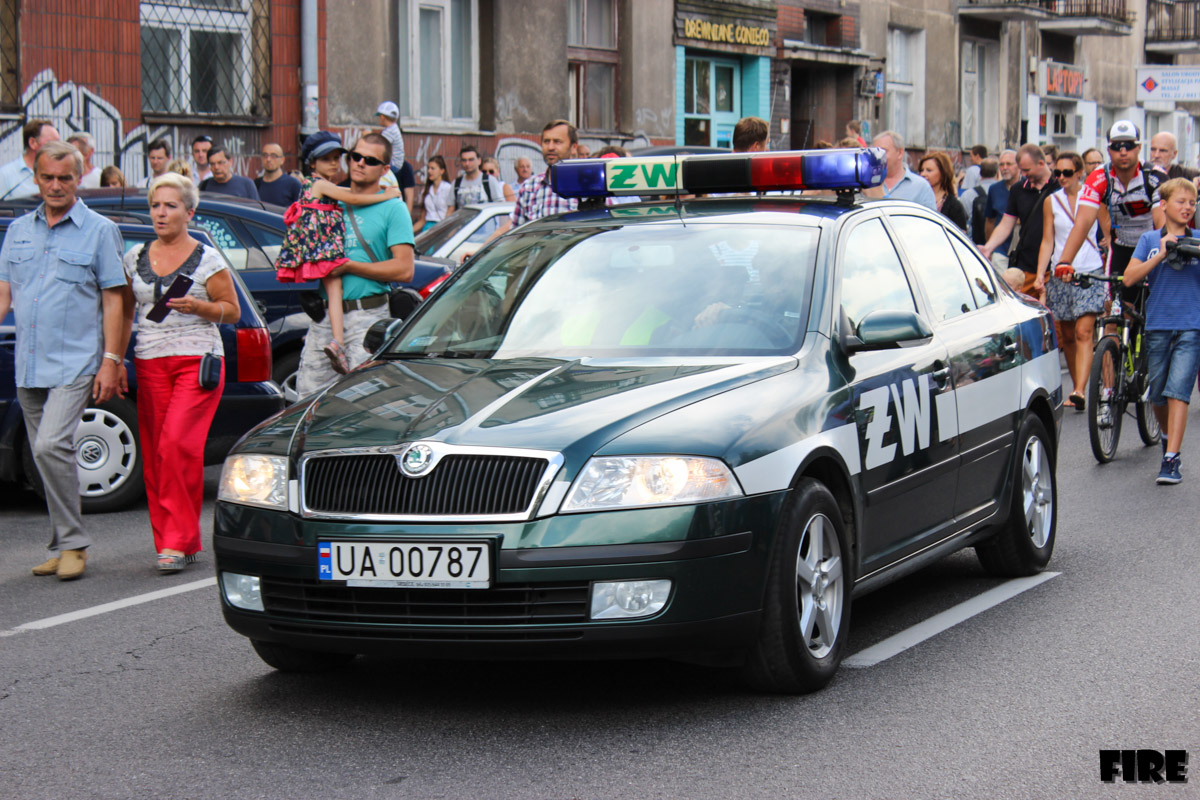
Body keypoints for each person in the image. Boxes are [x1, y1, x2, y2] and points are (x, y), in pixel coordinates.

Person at [0, 141, 128, 580]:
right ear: (35, 178)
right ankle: (60, 544)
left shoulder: (99, 230)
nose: (56, 186)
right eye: (48, 178)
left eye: (65, 178)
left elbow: (115, 300)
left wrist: (111, 359)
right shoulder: (17, 231)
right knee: (48, 457)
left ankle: (74, 542)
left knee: (50, 444)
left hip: (76, 361)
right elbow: (4, 292)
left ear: (79, 179)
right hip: (29, 362)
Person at [120, 173, 239, 571]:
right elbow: (123, 310)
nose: (161, 212)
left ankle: (176, 542)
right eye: (156, 205)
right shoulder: (134, 256)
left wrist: (200, 307)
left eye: (170, 205)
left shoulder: (207, 258)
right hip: (149, 361)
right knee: (157, 454)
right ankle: (174, 540)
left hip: (197, 361)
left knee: (176, 445)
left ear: (189, 212)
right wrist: (113, 358)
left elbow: (232, 310)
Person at [294, 133, 415, 396]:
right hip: (325, 318)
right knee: (306, 402)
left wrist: (349, 267)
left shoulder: (393, 208)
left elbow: (405, 270)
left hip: (368, 317)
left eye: (370, 160)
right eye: (355, 156)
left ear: (384, 169)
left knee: (364, 403)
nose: (360, 163)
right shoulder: (330, 197)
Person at [1123, 178, 1200, 484]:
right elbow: (1129, 278)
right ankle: (1167, 437)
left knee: (1178, 391)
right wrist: (1162, 253)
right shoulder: (1149, 239)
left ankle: (1171, 458)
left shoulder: (1197, 238)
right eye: (1181, 202)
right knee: (1157, 393)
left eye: (1192, 203)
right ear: (1164, 205)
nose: (1187, 208)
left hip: (1191, 325)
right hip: (1157, 324)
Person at [1054, 121, 1166, 312]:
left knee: (1154, 310)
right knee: (1112, 311)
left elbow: (1162, 223)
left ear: (1139, 148)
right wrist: (1065, 261)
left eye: (1129, 145)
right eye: (1116, 146)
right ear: (1109, 149)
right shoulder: (1099, 177)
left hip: (1151, 248)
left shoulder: (1154, 176)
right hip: (1121, 248)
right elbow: (1083, 222)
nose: (1123, 152)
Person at [1035, 152, 1105, 411]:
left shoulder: (1095, 198)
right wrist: (1042, 272)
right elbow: (1048, 240)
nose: (1061, 177)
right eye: (1058, 173)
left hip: (1089, 270)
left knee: (1083, 331)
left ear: (1079, 173)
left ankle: (1079, 389)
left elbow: (1107, 232)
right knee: (1067, 334)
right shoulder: (1051, 201)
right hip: (1061, 273)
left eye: (1067, 172)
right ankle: (1080, 387)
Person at [979, 144, 1057, 296]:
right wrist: (988, 248)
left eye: (1027, 170)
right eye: (1021, 170)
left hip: (1054, 264)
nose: (1023, 174)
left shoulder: (1058, 187)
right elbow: (1006, 224)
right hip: (1026, 264)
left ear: (1041, 164)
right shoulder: (1018, 189)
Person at [491, 120, 579, 238]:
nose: (550, 147)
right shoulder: (530, 188)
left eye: (557, 142)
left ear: (573, 147)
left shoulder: (589, 187)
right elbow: (516, 235)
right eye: (546, 141)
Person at [869, 130, 936, 210]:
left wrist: (881, 196)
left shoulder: (921, 187)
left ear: (900, 153)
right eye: (874, 152)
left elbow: (928, 221)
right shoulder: (867, 184)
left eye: (883, 151)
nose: (877, 156)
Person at [0, 119, 60, 200]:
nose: (58, 148)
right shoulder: (6, 175)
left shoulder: (60, 173)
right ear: (33, 143)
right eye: (52, 143)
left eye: (59, 143)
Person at [984, 149, 1019, 269]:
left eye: (1009, 164)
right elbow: (990, 220)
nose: (1004, 168)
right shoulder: (994, 189)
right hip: (1000, 249)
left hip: (1020, 248)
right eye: (1002, 164)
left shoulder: (1026, 187)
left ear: (1019, 166)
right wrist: (990, 248)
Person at [918, 151, 967, 232]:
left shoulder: (954, 205)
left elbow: (960, 236)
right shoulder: (916, 198)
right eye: (921, 170)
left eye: (929, 170)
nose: (923, 174)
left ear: (943, 172)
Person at [412, 155, 453, 233]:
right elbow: (422, 220)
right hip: (428, 228)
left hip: (443, 227)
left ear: (442, 171)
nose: (429, 171)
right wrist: (407, 232)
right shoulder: (426, 190)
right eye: (428, 168)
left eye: (433, 168)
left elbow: (451, 212)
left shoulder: (448, 188)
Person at [965, 157, 998, 245]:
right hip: (997, 243)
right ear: (997, 173)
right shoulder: (1003, 192)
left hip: (975, 243)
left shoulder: (968, 194)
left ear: (980, 173)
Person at [376, 101, 406, 172]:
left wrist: (368, 137)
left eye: (379, 116)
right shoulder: (393, 128)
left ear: (383, 117)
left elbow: (380, 146)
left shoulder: (389, 131)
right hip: (396, 163)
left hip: (393, 164)